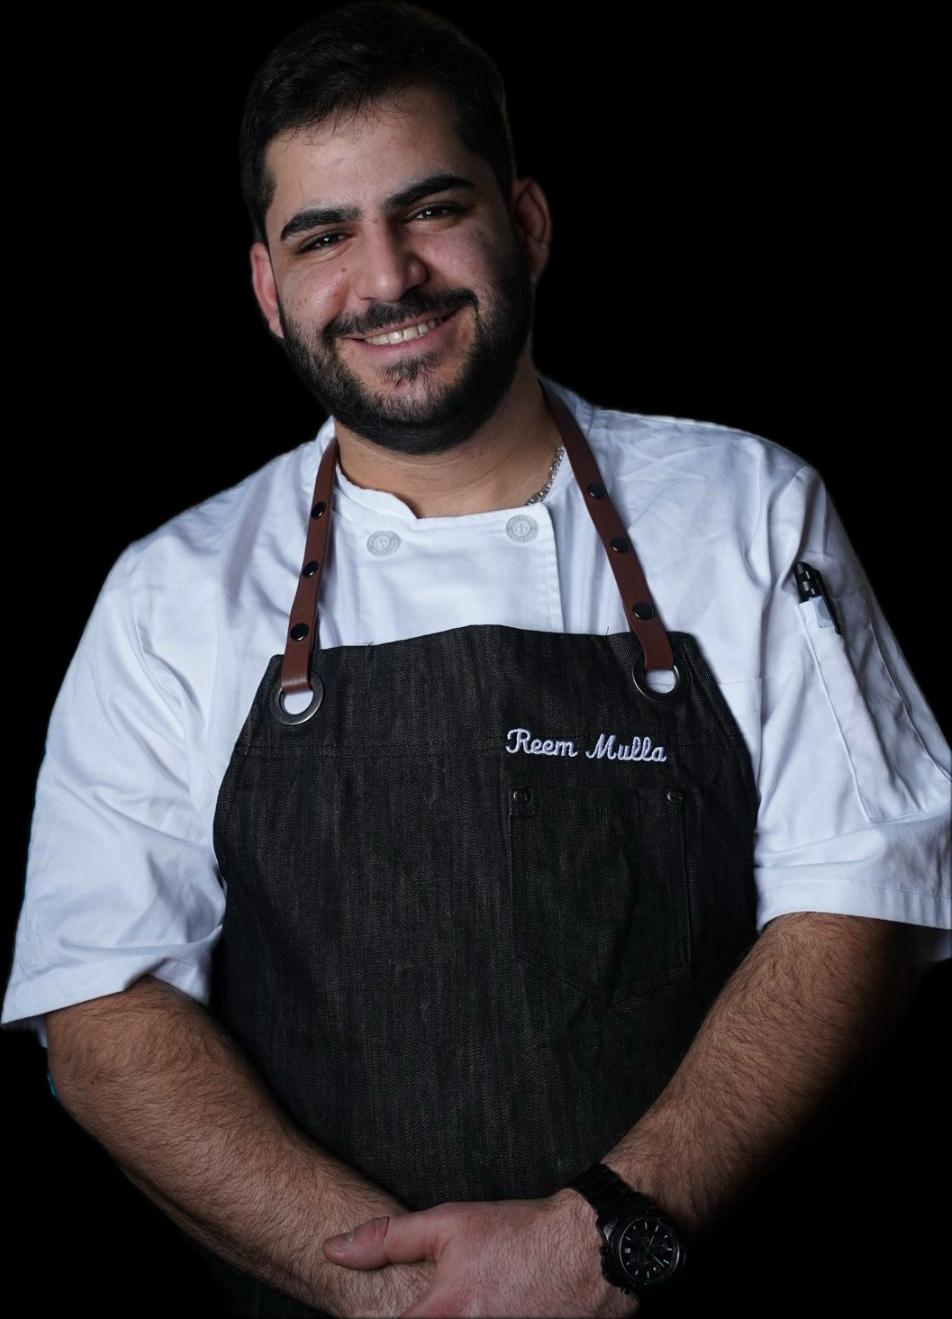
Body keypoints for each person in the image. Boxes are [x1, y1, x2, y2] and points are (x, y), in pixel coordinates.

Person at [3, 3, 950, 1316]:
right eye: (324, 236)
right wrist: (400, 1290)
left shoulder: (746, 513)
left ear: (530, 223)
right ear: (270, 289)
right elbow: (101, 1011)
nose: (387, 278)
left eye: (431, 209)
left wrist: (613, 1234)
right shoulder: (173, 595)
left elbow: (864, 897)